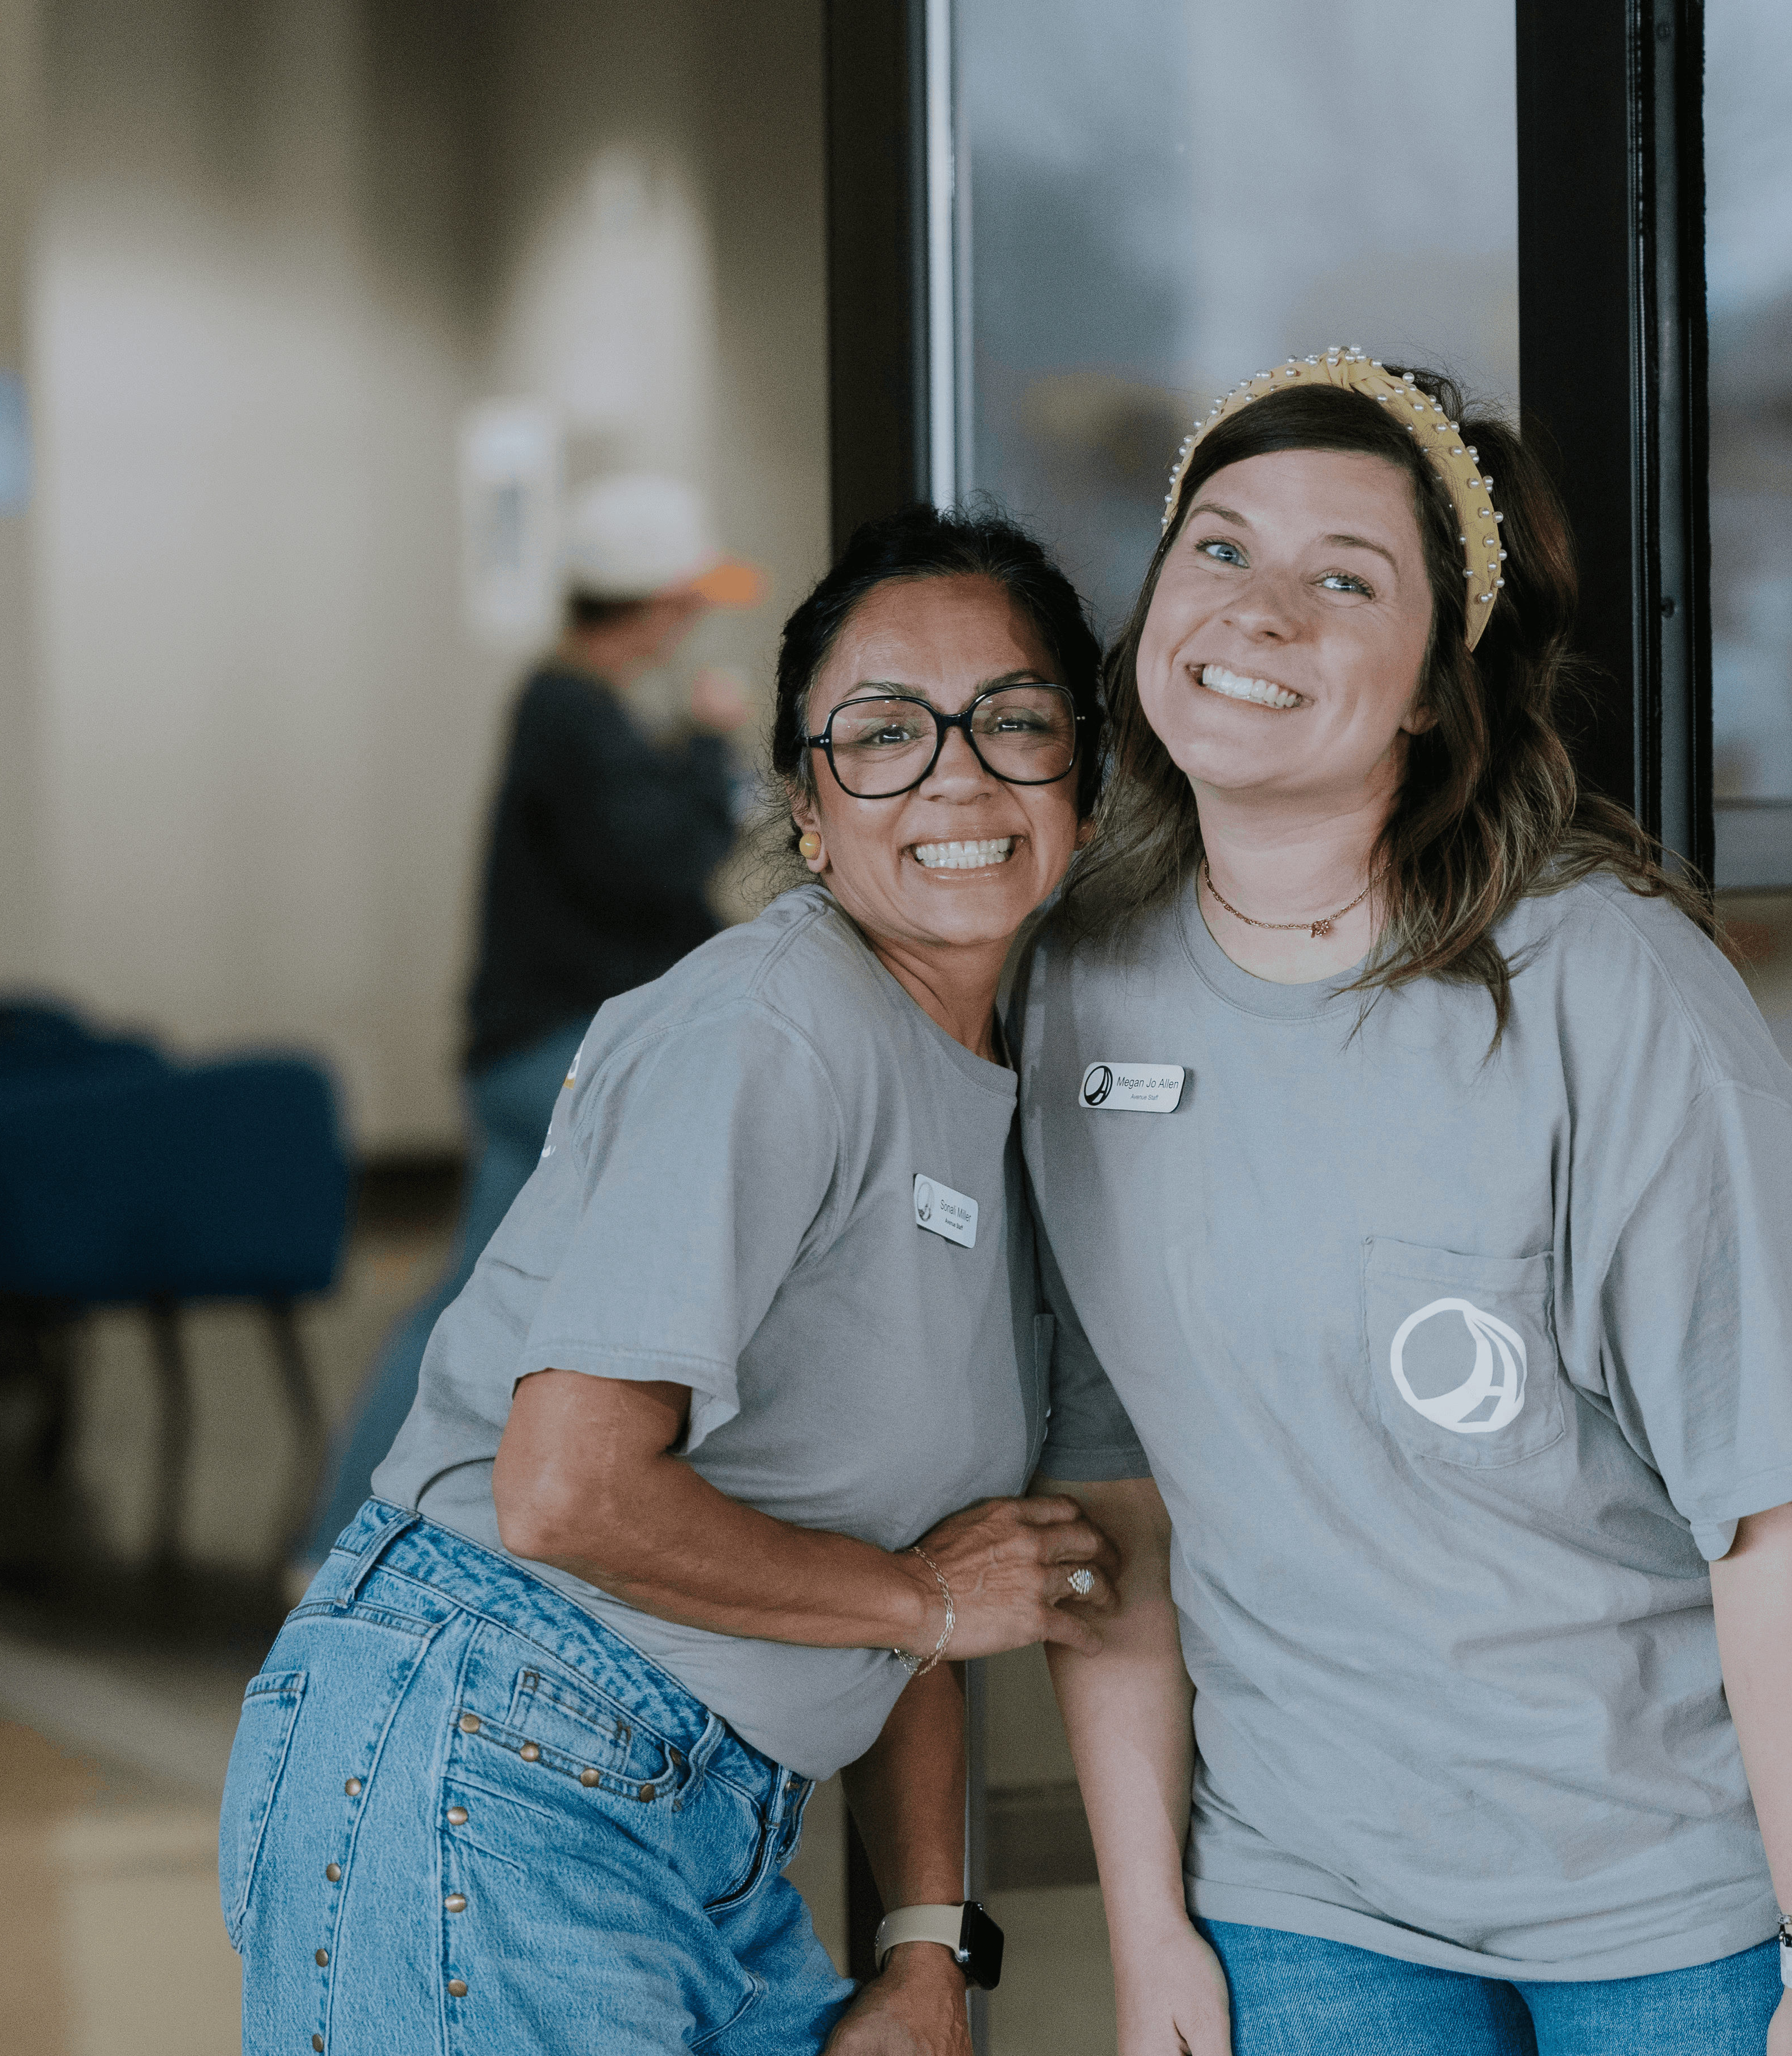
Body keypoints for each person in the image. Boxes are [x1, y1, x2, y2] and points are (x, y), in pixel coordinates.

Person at [1018, 352, 1792, 2056]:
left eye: (1345, 580)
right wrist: (1148, 1930)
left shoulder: (1611, 1000)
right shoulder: (1081, 989)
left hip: (1705, 1877)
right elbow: (1116, 1504)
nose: (1257, 615)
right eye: (1219, 550)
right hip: (1316, 1885)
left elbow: (1772, 1513)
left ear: (1429, 684)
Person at [221, 505, 1120, 2056]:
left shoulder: (989, 1083)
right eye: (884, 732)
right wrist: (920, 1597)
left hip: (695, 1823)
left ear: (1085, 793)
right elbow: (567, 1494)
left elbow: (924, 1583)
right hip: (498, 1756)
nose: (956, 772)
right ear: (807, 808)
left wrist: (924, 1944)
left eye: (1015, 721)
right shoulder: (772, 1034)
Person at [292, 473, 762, 1587]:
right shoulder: (571, 710)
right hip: (555, 1061)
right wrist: (706, 752)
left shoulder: (571, 707)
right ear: (651, 608)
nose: (694, 623)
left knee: (468, 1301)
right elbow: (653, 868)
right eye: (686, 602)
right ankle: (371, 1546)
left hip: (526, 1056)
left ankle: (340, 1542)